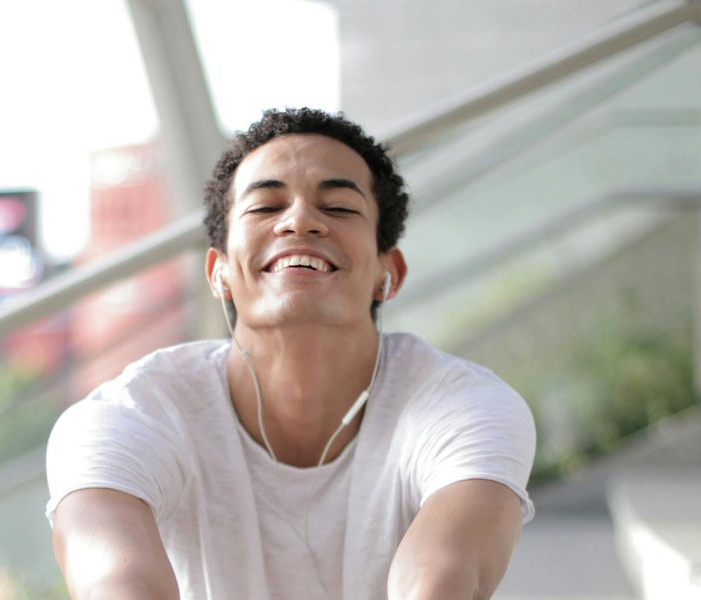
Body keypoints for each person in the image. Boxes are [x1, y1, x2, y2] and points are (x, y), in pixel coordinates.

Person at [45, 107, 535, 600]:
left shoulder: (466, 406)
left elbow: (442, 580)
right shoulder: (132, 415)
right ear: (218, 273)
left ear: (390, 274)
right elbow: (115, 583)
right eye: (265, 207)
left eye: (340, 207)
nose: (300, 220)